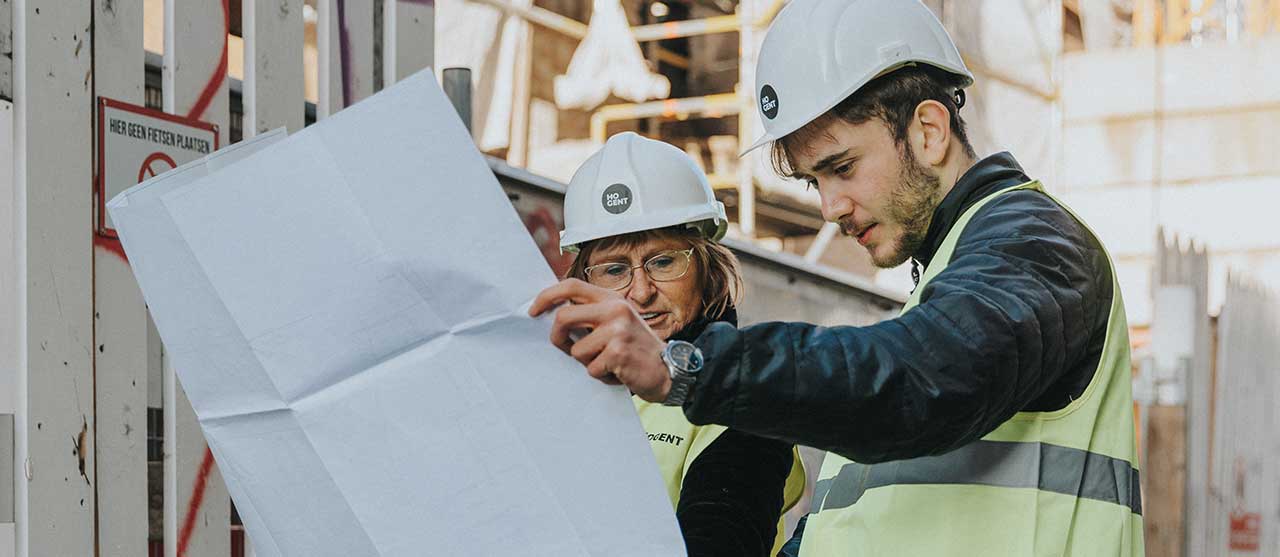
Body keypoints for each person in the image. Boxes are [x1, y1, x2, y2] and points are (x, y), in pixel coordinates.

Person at [529, 1, 1144, 555]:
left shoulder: (1036, 244)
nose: (829, 207)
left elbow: (921, 377)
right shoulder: (945, 281)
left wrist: (686, 367)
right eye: (813, 181)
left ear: (928, 131)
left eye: (842, 167)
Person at [557, 132, 805, 556]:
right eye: (615, 269)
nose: (640, 291)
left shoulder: (747, 395)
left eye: (663, 261)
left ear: (706, 268)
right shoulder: (556, 386)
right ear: (584, 280)